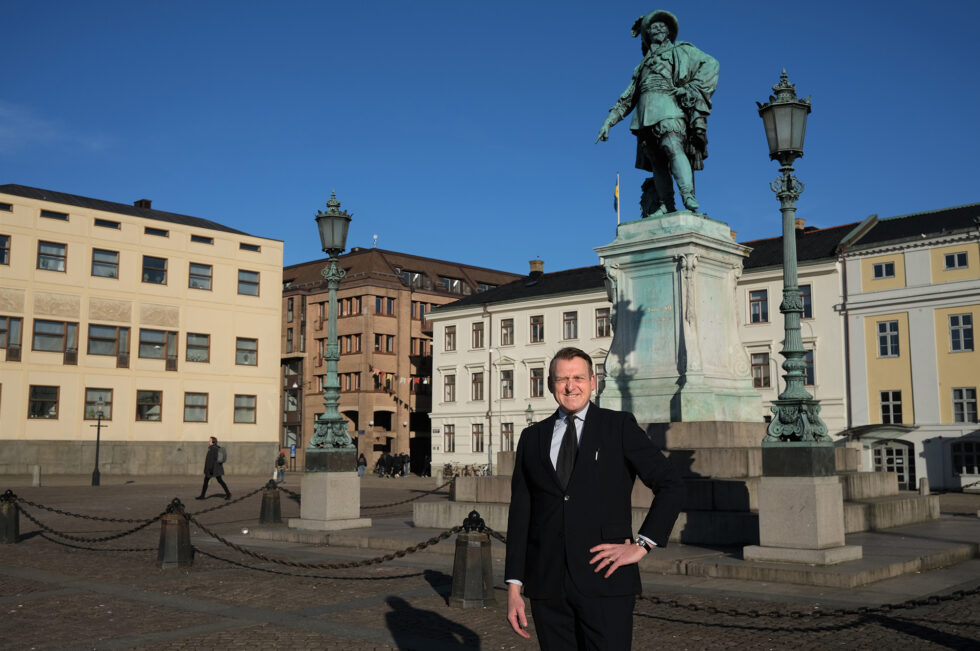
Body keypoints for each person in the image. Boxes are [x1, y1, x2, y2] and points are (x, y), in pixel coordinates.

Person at [505, 347, 684, 650]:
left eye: (577, 378)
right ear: (551, 384)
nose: (570, 386)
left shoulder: (618, 427)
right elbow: (521, 513)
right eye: (562, 379)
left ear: (592, 382)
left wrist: (643, 545)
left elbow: (672, 484)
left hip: (605, 581)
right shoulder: (532, 437)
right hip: (548, 587)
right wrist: (514, 587)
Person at [596, 10, 718, 216]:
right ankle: (667, 204)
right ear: (647, 34)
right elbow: (628, 98)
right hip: (644, 115)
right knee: (656, 161)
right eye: (654, 26)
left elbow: (712, 64)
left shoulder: (681, 50)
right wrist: (608, 122)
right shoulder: (641, 66)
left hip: (669, 107)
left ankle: (688, 195)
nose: (659, 29)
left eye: (663, 26)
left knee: (672, 146)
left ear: (669, 32)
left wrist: (691, 88)